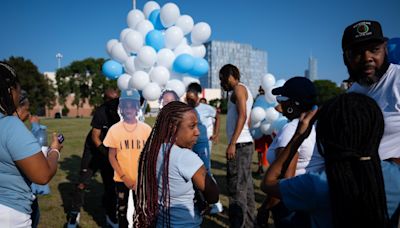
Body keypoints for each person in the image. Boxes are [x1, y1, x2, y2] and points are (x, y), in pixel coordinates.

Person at [261, 93, 400, 228]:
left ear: (327, 136)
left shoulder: (317, 184)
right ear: (377, 129)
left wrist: (299, 136)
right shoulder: (396, 175)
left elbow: (268, 183)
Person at [134, 101, 219, 227]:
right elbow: (213, 196)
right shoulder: (185, 157)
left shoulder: (152, 151)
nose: (197, 132)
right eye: (192, 126)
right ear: (173, 127)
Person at [0, 62, 63, 227]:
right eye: (18, 89)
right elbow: (42, 175)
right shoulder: (10, 126)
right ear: (10, 90)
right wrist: (55, 151)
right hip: (10, 214)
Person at [343, 20, 400, 162]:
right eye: (357, 53)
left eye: (374, 49)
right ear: (346, 58)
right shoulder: (351, 95)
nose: (367, 58)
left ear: (385, 50)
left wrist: (391, 167)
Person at [67, 88, 120, 228]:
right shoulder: (101, 112)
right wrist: (107, 152)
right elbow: (95, 137)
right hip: (94, 150)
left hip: (109, 150)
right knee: (82, 182)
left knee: (110, 186)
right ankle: (74, 213)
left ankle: (110, 215)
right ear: (106, 101)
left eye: (117, 99)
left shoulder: (122, 112)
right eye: (112, 100)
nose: (116, 102)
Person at [104, 89, 152, 228]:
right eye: (126, 105)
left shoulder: (146, 129)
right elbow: (111, 156)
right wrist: (124, 177)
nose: (129, 109)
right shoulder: (114, 129)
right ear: (121, 108)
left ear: (138, 108)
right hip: (121, 179)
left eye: (133, 105)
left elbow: (149, 157)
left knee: (141, 211)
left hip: (141, 180)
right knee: (122, 211)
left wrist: (140, 178)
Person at [219, 64, 256, 228]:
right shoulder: (244, 89)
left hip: (240, 145)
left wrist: (232, 143)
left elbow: (243, 115)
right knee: (246, 188)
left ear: (230, 75)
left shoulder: (239, 89)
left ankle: (238, 224)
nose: (222, 82)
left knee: (236, 189)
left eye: (222, 78)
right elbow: (247, 118)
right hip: (245, 143)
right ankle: (249, 224)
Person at [186, 82, 222, 214]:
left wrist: (216, 134)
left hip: (202, 144)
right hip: (189, 145)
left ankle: (215, 203)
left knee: (206, 171)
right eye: (187, 98)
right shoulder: (185, 108)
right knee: (191, 173)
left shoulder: (206, 108)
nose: (190, 100)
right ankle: (200, 202)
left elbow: (217, 117)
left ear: (197, 96)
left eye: (192, 98)